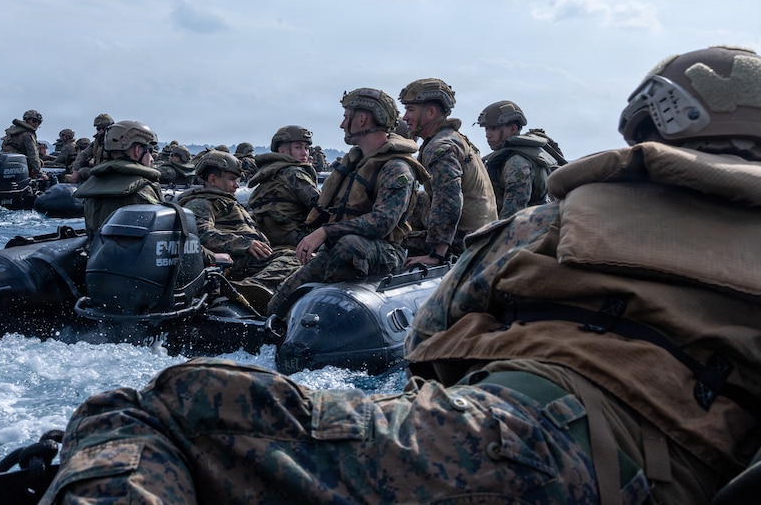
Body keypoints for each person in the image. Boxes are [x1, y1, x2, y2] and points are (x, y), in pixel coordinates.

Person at [37, 45, 761, 505]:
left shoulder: (548, 226)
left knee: (157, 405)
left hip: (513, 441)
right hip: (679, 472)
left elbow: (431, 343)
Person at [265, 88, 426, 316]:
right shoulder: (357, 163)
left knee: (349, 246)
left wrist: (326, 232)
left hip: (383, 251)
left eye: (346, 116)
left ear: (361, 119)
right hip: (338, 248)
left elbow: (382, 222)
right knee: (279, 303)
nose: (342, 125)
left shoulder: (395, 168)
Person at [400, 78, 496, 268]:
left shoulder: (440, 147)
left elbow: (448, 199)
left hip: (466, 241)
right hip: (483, 233)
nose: (405, 117)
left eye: (410, 110)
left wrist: (437, 255)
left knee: (388, 242)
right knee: (418, 198)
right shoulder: (454, 138)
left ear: (431, 112)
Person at [177, 151, 297, 295]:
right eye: (232, 179)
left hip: (250, 257)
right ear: (212, 179)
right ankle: (249, 288)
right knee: (294, 259)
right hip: (234, 260)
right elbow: (201, 234)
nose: (237, 185)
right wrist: (245, 244)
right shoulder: (201, 203)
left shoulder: (225, 201)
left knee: (302, 256)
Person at [72, 120, 163, 238]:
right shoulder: (143, 189)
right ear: (137, 150)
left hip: (96, 252)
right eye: (149, 151)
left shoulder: (92, 185)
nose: (151, 159)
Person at [476, 100, 562, 219]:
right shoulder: (511, 155)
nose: (488, 134)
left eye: (493, 128)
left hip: (528, 228)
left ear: (512, 129)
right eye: (486, 129)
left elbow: (512, 214)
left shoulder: (517, 163)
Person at [245, 125, 320, 248]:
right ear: (282, 151)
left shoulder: (268, 172)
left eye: (306, 148)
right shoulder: (293, 173)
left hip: (267, 237)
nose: (304, 152)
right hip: (293, 236)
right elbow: (319, 204)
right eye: (298, 147)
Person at [69, 114, 114, 183]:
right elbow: (84, 154)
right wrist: (75, 170)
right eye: (97, 128)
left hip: (111, 173)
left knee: (82, 172)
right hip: (99, 170)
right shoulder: (97, 141)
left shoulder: (117, 141)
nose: (98, 131)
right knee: (81, 171)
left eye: (99, 128)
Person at [0, 110, 44, 179]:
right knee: (40, 163)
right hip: (18, 165)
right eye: (34, 121)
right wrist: (40, 174)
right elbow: (33, 155)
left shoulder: (14, 131)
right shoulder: (27, 135)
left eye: (39, 122)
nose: (36, 124)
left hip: (5, 164)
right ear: (26, 119)